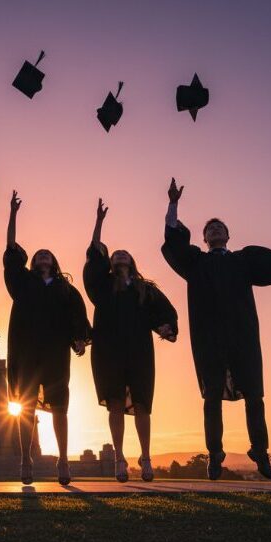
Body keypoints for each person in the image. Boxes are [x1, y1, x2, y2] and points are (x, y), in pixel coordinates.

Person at [161, 178, 271, 480]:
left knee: (255, 396)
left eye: (220, 227)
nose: (215, 230)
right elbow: (174, 243)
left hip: (243, 334)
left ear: (228, 235)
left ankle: (260, 451)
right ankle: (215, 453)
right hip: (209, 337)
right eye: (210, 229)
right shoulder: (194, 263)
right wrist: (173, 203)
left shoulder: (244, 260)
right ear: (205, 238)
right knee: (211, 397)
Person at [84, 198, 178, 482]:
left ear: (132, 262)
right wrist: (98, 223)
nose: (119, 256)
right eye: (116, 255)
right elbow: (94, 256)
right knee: (114, 403)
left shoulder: (144, 288)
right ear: (111, 263)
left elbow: (163, 313)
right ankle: (119, 459)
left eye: (124, 254)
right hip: (108, 351)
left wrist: (165, 328)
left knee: (142, 405)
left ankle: (146, 457)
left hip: (139, 350)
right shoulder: (102, 287)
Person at [4, 191, 90, 485]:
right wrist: (13, 214)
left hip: (55, 351)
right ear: (32, 262)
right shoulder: (23, 281)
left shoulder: (65, 287)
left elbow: (77, 314)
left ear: (53, 261)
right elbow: (11, 250)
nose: (42, 255)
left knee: (59, 406)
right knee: (25, 406)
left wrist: (79, 338)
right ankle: (25, 459)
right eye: (38, 254)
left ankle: (63, 460)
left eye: (47, 254)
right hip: (26, 349)